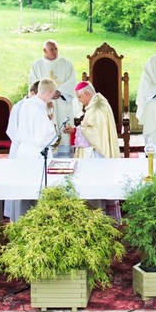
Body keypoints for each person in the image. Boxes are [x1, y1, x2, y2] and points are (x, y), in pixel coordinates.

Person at [73, 81, 121, 221]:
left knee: (94, 185)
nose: (79, 100)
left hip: (97, 154)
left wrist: (79, 130)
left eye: (80, 97)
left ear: (87, 93)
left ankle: (97, 217)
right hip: (97, 152)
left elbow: (95, 134)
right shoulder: (97, 102)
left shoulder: (98, 107)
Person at [28, 40, 76, 148]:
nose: (54, 51)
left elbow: (72, 81)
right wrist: (47, 93)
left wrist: (60, 91)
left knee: (64, 132)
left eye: (56, 49)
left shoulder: (66, 63)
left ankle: (65, 156)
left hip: (62, 102)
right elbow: (33, 83)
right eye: (51, 49)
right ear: (44, 50)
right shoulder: (37, 65)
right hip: (45, 104)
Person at [3, 81, 39, 220]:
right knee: (20, 185)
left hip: (32, 150)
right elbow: (12, 130)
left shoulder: (37, 106)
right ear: (33, 93)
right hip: (21, 150)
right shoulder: (20, 107)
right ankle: (18, 218)